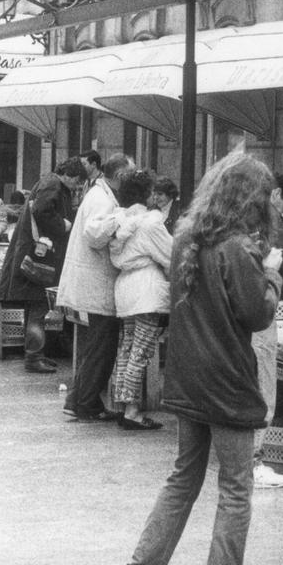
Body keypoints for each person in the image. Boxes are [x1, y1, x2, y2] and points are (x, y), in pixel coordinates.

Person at [115, 152, 282, 565]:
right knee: (235, 485)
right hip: (227, 379)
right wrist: (272, 271)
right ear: (252, 199)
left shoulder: (186, 236)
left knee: (183, 477)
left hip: (188, 375)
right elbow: (256, 313)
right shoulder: (238, 248)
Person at [56, 153, 133, 422]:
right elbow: (94, 232)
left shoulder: (100, 194)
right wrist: (123, 217)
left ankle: (77, 400)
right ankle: (85, 402)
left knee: (97, 347)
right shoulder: (102, 198)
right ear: (121, 176)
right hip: (97, 282)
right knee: (102, 346)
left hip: (94, 281)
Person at [0, 157, 87, 373]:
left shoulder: (49, 182)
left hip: (32, 253)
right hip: (38, 257)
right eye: (77, 182)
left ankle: (35, 354)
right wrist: (62, 225)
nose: (76, 187)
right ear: (70, 176)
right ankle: (34, 358)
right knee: (38, 306)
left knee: (34, 308)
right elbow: (43, 211)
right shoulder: (53, 184)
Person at [108, 169, 171, 431]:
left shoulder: (126, 221)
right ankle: (133, 411)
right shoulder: (152, 223)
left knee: (126, 350)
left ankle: (124, 405)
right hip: (146, 290)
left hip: (125, 289)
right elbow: (172, 256)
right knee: (141, 351)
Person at [249, 172, 283, 489]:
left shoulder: (223, 222)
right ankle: (253, 460)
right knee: (263, 387)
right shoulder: (268, 223)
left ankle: (244, 458)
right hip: (259, 314)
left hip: (233, 318)